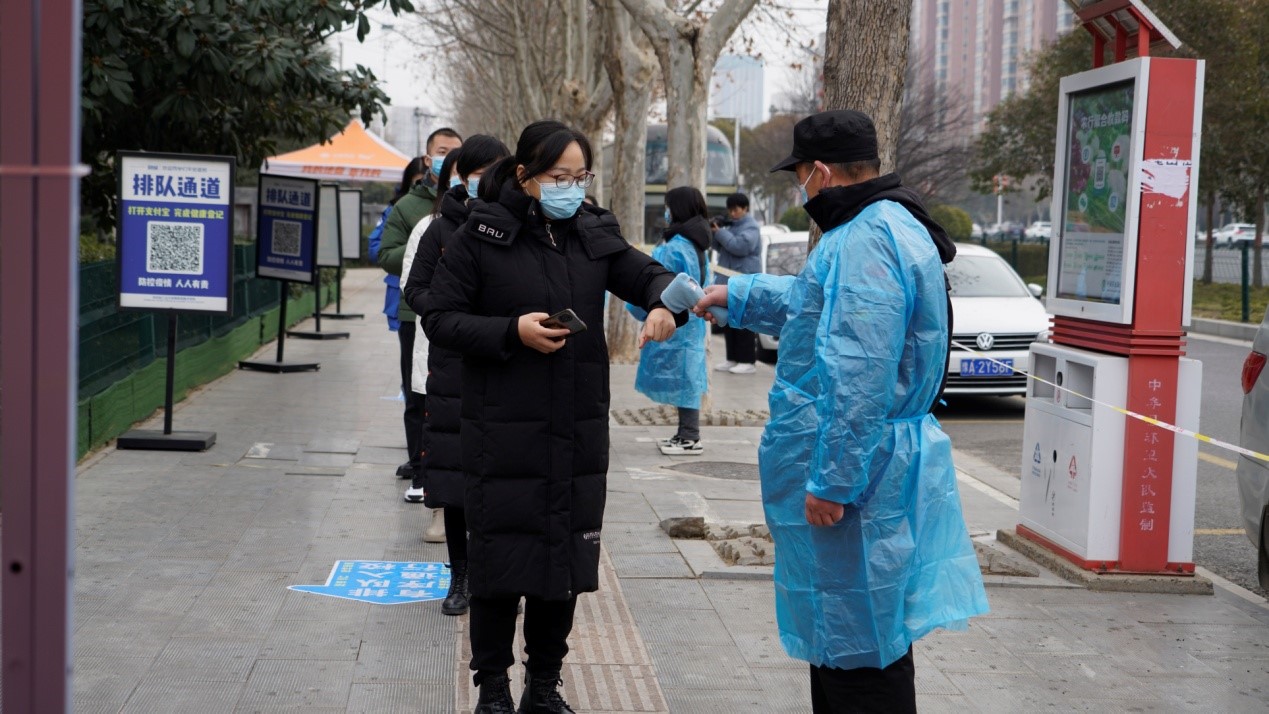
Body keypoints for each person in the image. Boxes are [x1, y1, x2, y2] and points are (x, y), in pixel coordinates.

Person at [693, 109, 989, 713]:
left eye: (800, 175)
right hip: (875, 465)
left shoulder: (866, 240)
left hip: (861, 476)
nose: (801, 188)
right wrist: (739, 295)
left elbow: (859, 372)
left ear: (821, 173)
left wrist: (832, 481)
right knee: (857, 634)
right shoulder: (885, 224)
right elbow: (814, 306)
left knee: (857, 644)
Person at [422, 120, 683, 714]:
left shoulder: (592, 231)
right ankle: (492, 688)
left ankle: (545, 686)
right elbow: (440, 317)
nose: (571, 187)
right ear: (524, 176)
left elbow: (643, 274)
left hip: (575, 427)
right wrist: (511, 331)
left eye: (579, 176)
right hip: (501, 428)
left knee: (562, 563)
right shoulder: (482, 235)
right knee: (498, 562)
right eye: (558, 177)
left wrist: (669, 301)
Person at [404, 135, 512, 617]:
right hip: (453, 366)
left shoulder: (519, 225)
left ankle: (500, 575)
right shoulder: (438, 228)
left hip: (511, 363)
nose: (484, 178)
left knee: (506, 480)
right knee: (455, 480)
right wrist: (455, 320)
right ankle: (461, 577)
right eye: (477, 169)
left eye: (495, 169)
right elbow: (416, 288)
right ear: (460, 174)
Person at [378, 127, 463, 544]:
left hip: (479, 339)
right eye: (444, 153)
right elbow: (392, 258)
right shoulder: (416, 213)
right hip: (423, 321)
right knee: (425, 403)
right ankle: (426, 480)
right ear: (430, 160)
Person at [627, 186, 711, 456]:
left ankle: (689, 436)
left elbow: (653, 285)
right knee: (688, 379)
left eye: (667, 205)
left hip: (675, 323)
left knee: (684, 382)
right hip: (692, 323)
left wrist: (642, 310)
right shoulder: (697, 245)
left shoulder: (673, 247)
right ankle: (685, 434)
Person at [368, 156, 427, 480]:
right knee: (415, 388)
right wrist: (425, 246)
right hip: (409, 307)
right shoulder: (403, 208)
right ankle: (419, 463)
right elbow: (381, 251)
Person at [710, 192, 761, 374]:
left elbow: (740, 247)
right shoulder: (730, 227)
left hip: (745, 283)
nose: (733, 213)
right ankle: (732, 358)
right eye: (730, 210)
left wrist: (721, 233)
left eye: (736, 209)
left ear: (745, 208)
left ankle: (748, 361)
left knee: (744, 321)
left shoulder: (752, 227)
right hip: (729, 282)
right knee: (729, 321)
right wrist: (713, 232)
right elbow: (720, 246)